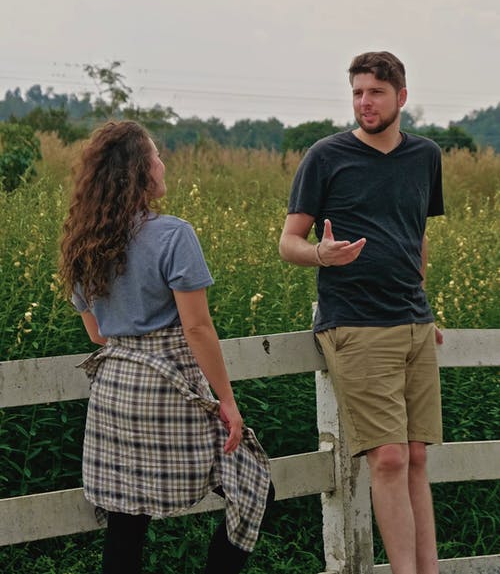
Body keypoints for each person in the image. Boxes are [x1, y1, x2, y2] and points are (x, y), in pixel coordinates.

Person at [60, 120, 272, 574]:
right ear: (139, 171)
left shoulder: (83, 240)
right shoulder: (174, 234)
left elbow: (97, 334)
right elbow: (197, 329)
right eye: (155, 156)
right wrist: (227, 402)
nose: (162, 163)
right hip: (166, 387)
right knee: (254, 482)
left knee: (126, 518)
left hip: (114, 391)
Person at [279, 51, 444, 574]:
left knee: (417, 459)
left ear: (401, 96)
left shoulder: (425, 156)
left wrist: (424, 305)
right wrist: (320, 254)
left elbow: (415, 235)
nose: (364, 102)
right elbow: (288, 242)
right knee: (389, 458)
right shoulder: (326, 156)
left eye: (374, 92)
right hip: (354, 322)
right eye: (357, 92)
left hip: (413, 322)